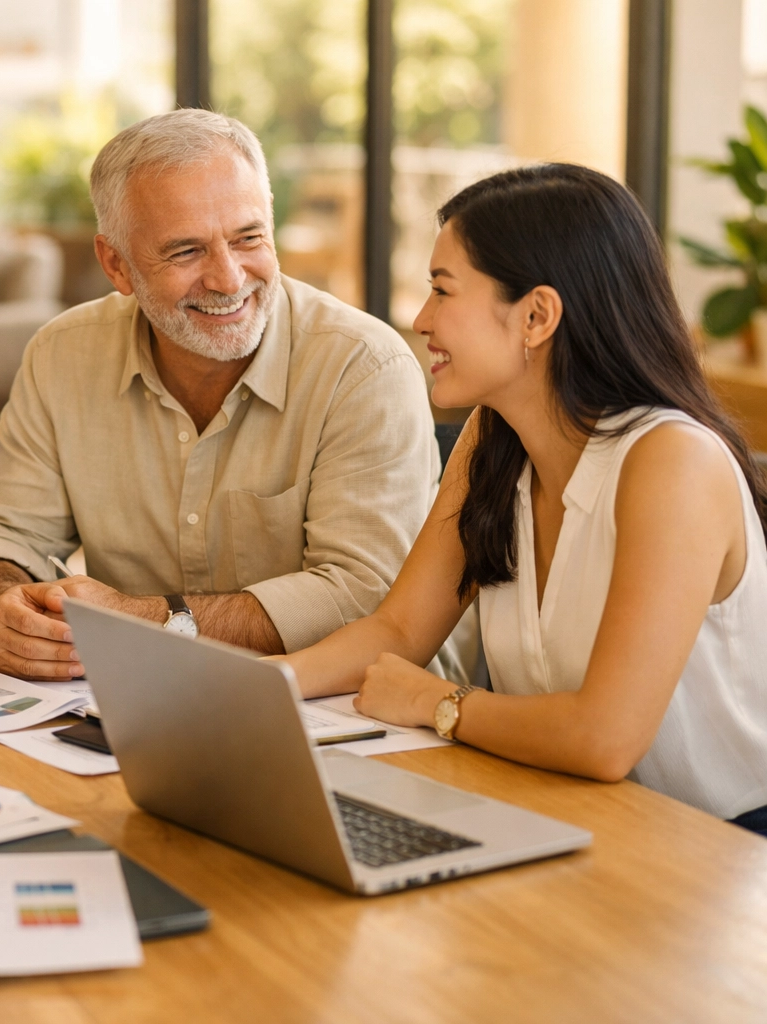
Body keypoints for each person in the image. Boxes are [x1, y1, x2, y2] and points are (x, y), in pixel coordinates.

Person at [281, 163, 767, 834]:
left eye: (442, 290)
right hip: (564, 815)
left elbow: (604, 738)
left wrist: (437, 703)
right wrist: (261, 686)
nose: (421, 319)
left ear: (536, 315)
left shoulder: (672, 461)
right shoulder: (493, 437)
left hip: (718, 850)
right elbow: (399, 632)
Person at [0, 108, 447, 680]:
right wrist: (5, 603)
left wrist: (148, 619)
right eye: (186, 251)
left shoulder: (364, 366)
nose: (228, 279)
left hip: (356, 707)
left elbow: (366, 595)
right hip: (138, 697)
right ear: (116, 265)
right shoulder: (63, 354)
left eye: (248, 237)